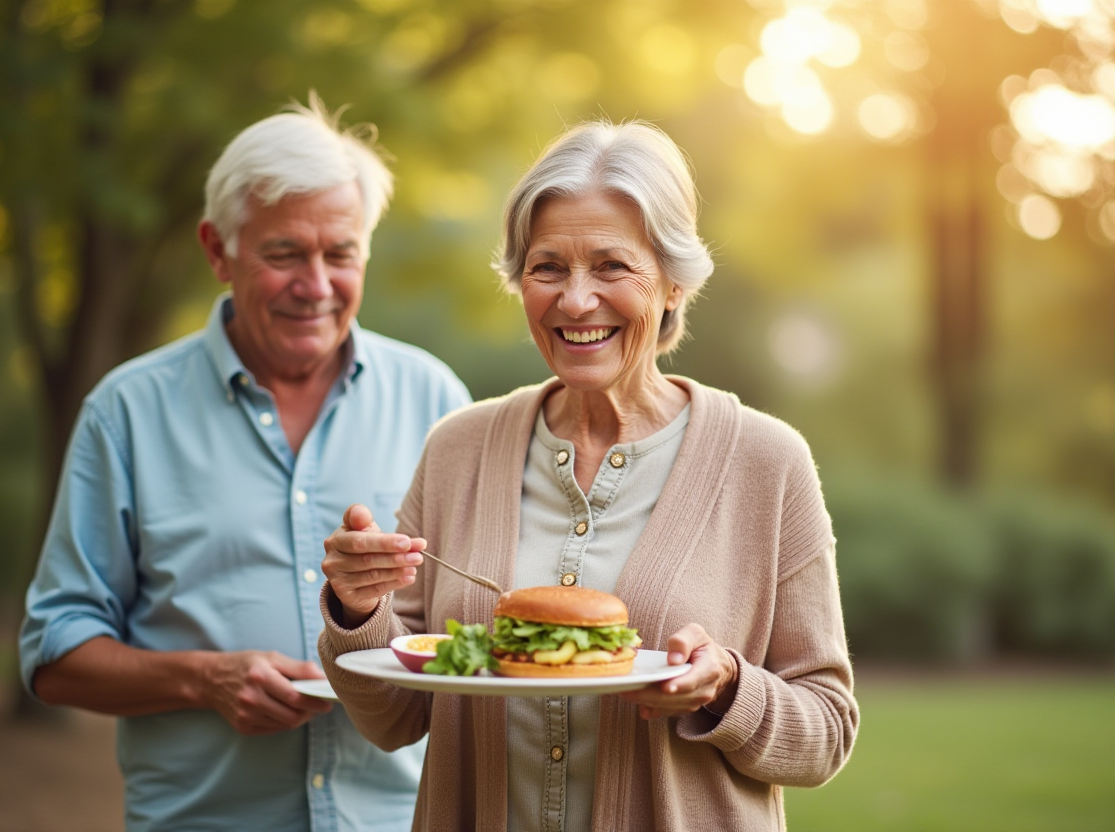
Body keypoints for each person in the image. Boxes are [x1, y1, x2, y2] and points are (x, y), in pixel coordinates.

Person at [317, 120, 859, 830]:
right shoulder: (459, 448)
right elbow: (394, 718)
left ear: (671, 284)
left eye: (610, 266)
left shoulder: (767, 462)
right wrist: (358, 612)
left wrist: (726, 688)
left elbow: (826, 732)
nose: (575, 301)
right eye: (548, 267)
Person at [18, 95, 471, 832]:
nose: (317, 285)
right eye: (285, 252)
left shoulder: (437, 398)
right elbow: (54, 654)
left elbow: (476, 623)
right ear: (217, 249)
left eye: (341, 252)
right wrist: (206, 680)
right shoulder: (126, 411)